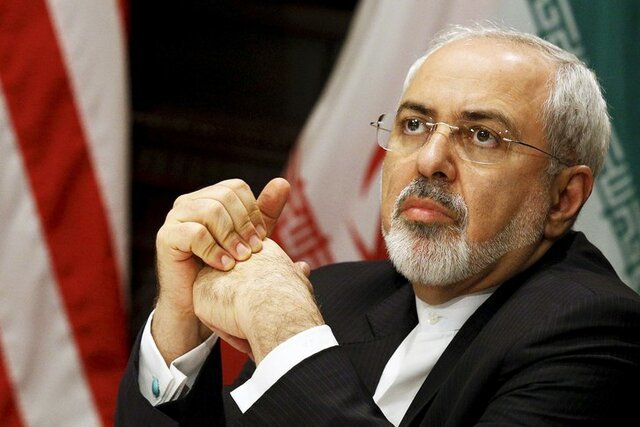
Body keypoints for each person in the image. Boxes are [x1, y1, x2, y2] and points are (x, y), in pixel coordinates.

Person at [116, 24, 640, 426]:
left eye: (482, 135)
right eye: (414, 124)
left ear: (563, 197)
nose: (429, 160)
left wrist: (284, 328)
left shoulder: (596, 331)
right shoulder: (337, 297)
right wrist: (180, 323)